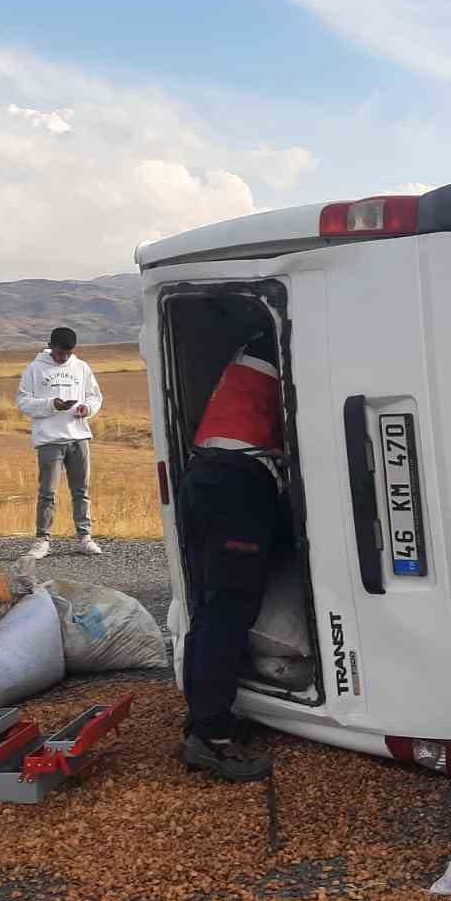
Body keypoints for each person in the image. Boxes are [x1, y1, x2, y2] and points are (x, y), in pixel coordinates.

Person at [176, 331, 287, 782]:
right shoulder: (282, 339)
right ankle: (212, 738)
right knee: (227, 610)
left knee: (210, 607)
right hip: (236, 485)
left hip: (209, 476)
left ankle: (204, 715)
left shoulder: (255, 345)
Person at [16, 327, 103, 559]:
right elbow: (23, 401)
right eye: (60, 352)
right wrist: (52, 404)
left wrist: (87, 409)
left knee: (81, 490)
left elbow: (95, 397)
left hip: (78, 436)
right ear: (51, 346)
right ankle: (42, 540)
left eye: (68, 352)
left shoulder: (81, 367)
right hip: (50, 439)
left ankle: (84, 537)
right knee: (48, 492)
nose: (64, 357)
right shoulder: (35, 369)